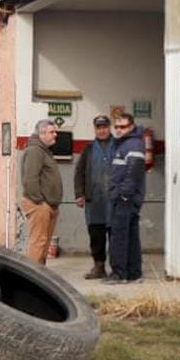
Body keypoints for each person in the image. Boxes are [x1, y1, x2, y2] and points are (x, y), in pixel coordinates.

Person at [73, 115, 117, 279]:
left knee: (115, 235)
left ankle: (116, 269)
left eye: (105, 127)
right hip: (95, 201)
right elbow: (79, 172)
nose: (102, 130)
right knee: (96, 236)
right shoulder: (89, 149)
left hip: (114, 200)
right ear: (95, 129)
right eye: (99, 128)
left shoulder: (118, 146)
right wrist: (79, 194)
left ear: (109, 127)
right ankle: (99, 267)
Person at [106, 113, 146, 284]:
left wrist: (123, 194)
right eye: (117, 127)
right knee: (130, 236)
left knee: (119, 236)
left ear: (131, 127)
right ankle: (134, 273)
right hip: (127, 198)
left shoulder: (133, 144)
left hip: (125, 199)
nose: (119, 130)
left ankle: (119, 274)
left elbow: (134, 171)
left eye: (123, 127)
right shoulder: (125, 144)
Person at [20, 119, 62, 264]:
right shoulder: (34, 151)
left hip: (48, 206)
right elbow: (30, 179)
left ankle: (39, 278)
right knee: (37, 244)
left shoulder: (43, 151)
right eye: (52, 132)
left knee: (43, 245)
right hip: (39, 205)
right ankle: (30, 281)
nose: (55, 135)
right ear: (42, 133)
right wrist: (40, 203)